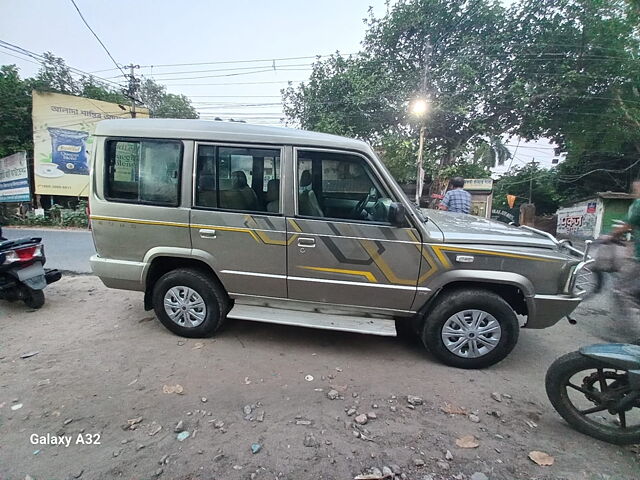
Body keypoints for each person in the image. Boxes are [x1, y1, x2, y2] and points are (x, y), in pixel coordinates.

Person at [609, 180, 640, 304]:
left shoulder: (638, 204)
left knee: (625, 287)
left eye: (636, 189)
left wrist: (611, 235)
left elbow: (628, 225)